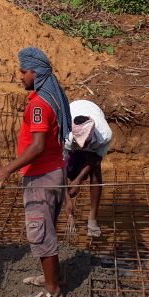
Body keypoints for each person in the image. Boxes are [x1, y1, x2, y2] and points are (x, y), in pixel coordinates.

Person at [0, 46, 71, 297]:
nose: (20, 76)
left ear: (36, 72)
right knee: (47, 230)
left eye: (23, 72)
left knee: (40, 233)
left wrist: (6, 170)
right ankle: (51, 279)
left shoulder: (39, 105)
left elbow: (37, 147)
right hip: (53, 172)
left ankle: (52, 294)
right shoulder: (50, 95)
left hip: (41, 177)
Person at [63, 99, 112, 238]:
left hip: (93, 109)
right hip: (73, 110)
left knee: (96, 171)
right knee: (68, 169)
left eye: (86, 142)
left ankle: (93, 218)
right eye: (79, 143)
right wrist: (67, 199)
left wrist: (78, 180)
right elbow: (59, 165)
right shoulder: (64, 133)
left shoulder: (104, 134)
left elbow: (95, 159)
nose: (82, 146)